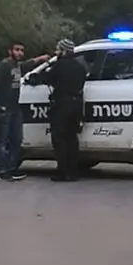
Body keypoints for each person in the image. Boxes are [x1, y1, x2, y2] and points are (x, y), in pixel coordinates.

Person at [0, 40, 49, 181]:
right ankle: (3, 170)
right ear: (10, 51)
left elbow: (27, 64)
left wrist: (40, 59)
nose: (19, 53)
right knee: (2, 141)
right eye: (17, 50)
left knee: (16, 139)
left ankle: (12, 168)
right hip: (5, 108)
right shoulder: (4, 65)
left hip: (15, 108)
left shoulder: (17, 66)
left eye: (22, 50)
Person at [44, 38, 88, 182]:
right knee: (72, 138)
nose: (56, 52)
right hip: (76, 105)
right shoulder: (80, 67)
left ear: (63, 51)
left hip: (62, 105)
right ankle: (73, 172)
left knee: (59, 138)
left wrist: (34, 77)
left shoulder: (59, 66)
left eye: (58, 49)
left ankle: (62, 172)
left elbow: (47, 78)